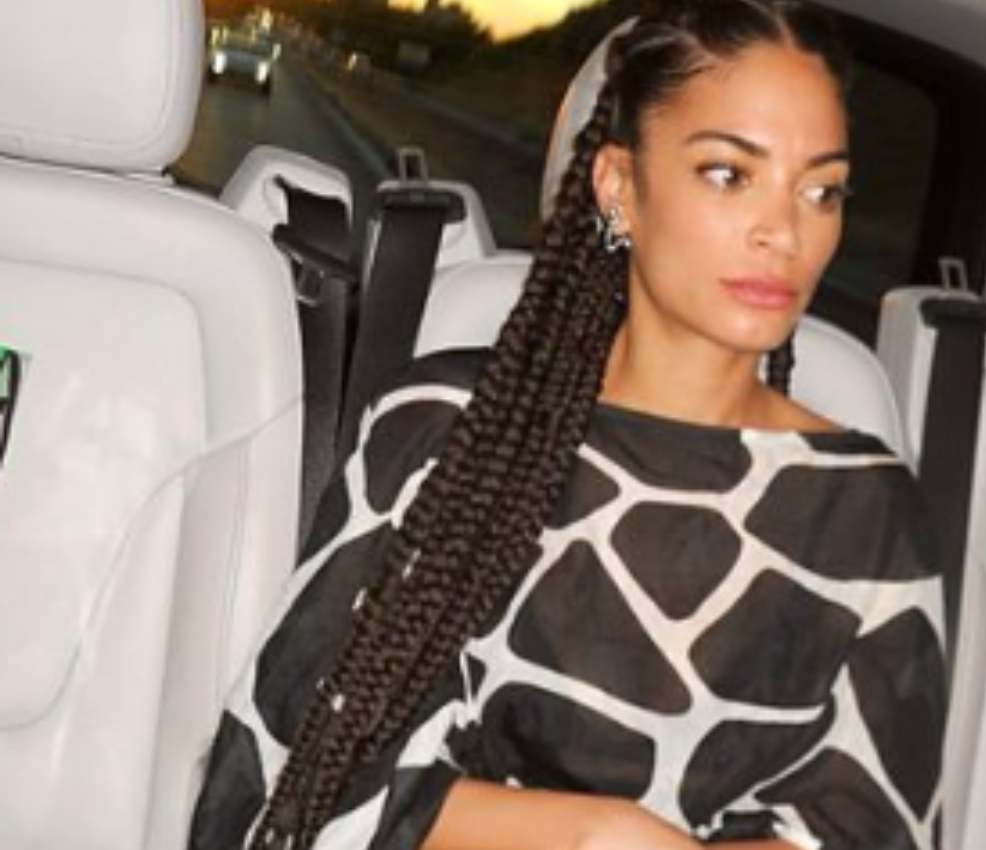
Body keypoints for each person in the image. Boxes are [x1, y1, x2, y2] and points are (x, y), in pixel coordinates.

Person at [188, 1, 946, 848]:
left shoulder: (868, 513)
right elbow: (284, 782)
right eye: (729, 173)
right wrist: (595, 833)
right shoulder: (449, 430)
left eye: (821, 190)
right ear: (619, 186)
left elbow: (870, 826)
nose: (785, 231)